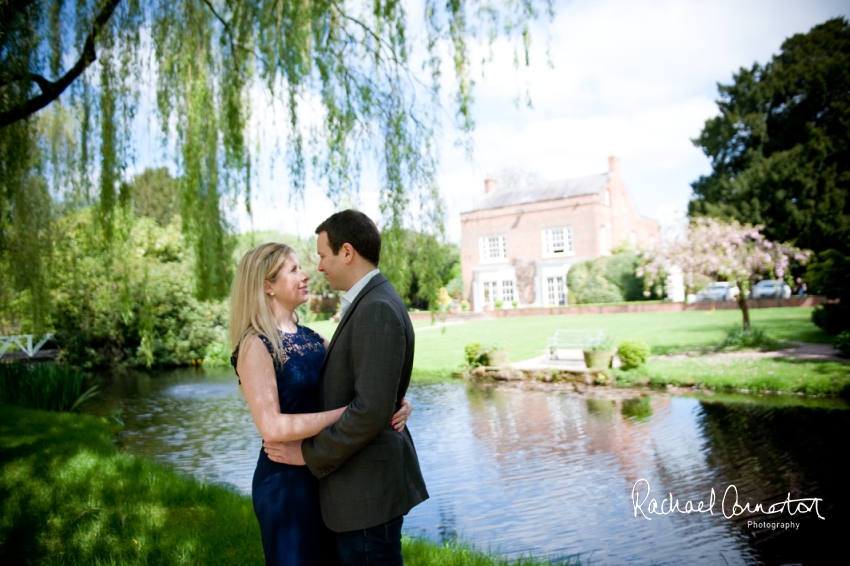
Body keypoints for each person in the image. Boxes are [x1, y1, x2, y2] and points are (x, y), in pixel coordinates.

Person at [229, 242, 412, 566]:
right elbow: (272, 427)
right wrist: (354, 413)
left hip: (324, 470)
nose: (306, 275)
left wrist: (395, 403)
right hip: (286, 480)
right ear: (267, 286)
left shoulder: (313, 338)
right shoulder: (255, 344)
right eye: (294, 270)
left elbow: (366, 384)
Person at [264, 210, 429, 565]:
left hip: (365, 494)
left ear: (347, 252)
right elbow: (371, 392)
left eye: (323, 255)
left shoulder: (377, 308)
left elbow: (369, 411)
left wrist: (307, 455)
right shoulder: (370, 303)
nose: (319, 266)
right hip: (352, 490)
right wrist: (390, 400)